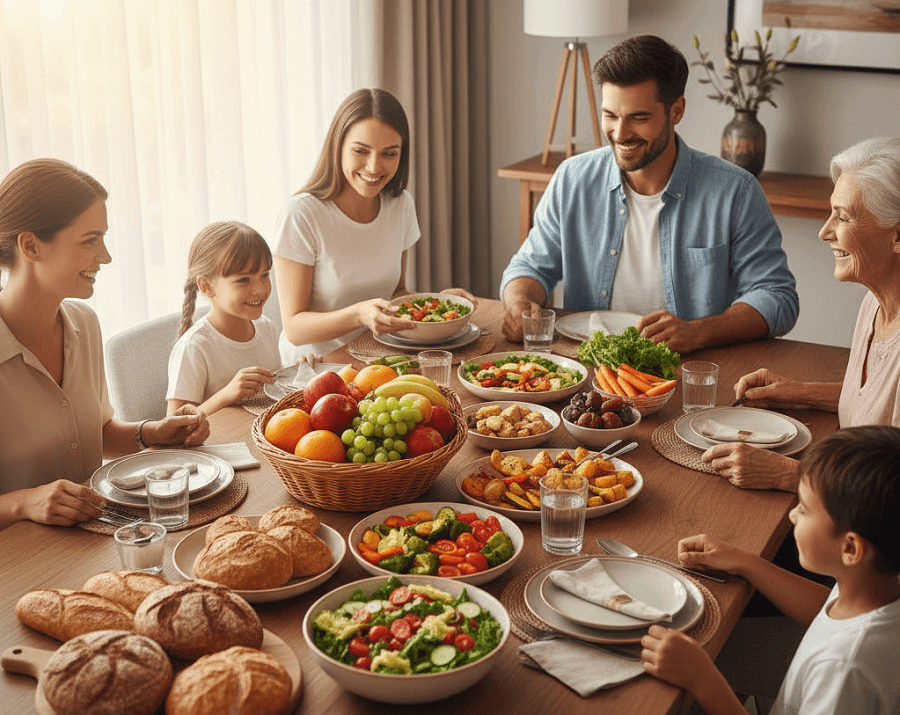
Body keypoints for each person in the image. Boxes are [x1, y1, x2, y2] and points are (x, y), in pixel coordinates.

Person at [500, 35, 798, 354]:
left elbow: (776, 296)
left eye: (638, 118)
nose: (620, 133)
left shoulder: (735, 191)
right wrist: (519, 303)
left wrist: (699, 331)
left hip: (686, 368)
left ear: (676, 111)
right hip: (589, 367)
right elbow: (530, 268)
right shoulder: (572, 179)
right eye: (610, 115)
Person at [0, 158, 209, 527]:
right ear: (31, 246)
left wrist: (153, 432)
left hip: (94, 535)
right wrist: (22, 503)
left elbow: (96, 434)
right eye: (90, 241)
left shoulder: (84, 323)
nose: (106, 257)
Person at [641, 426, 900, 715]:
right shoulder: (875, 586)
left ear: (850, 549)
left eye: (803, 509)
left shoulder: (845, 670)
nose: (792, 514)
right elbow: (825, 607)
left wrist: (702, 679)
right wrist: (746, 561)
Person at [703, 137, 900, 492]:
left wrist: (789, 474)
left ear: (897, 234)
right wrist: (797, 392)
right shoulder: (874, 303)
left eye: (843, 216)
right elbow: (876, 409)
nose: (825, 232)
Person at [273, 87, 476, 361]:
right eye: (361, 150)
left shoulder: (400, 204)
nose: (373, 167)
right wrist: (359, 314)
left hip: (379, 353)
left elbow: (396, 293)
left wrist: (436, 304)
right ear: (338, 147)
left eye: (389, 154)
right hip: (319, 364)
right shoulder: (302, 214)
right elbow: (294, 328)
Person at [166, 221, 282, 416]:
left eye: (264, 275)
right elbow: (174, 425)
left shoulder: (266, 327)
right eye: (243, 280)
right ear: (207, 286)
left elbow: (272, 393)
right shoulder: (195, 347)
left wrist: (301, 372)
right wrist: (226, 395)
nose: (260, 290)